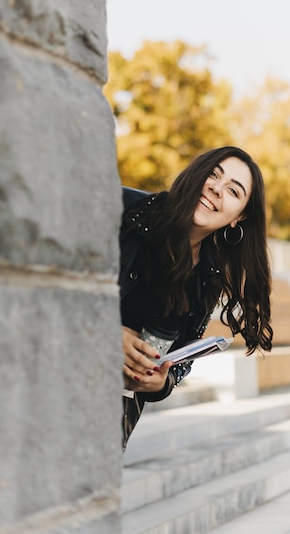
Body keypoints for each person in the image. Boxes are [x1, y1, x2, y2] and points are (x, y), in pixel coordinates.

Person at [119, 146, 273, 449]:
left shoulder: (208, 276)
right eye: (213, 175)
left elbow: (179, 361)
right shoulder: (124, 209)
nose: (216, 188)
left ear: (239, 217)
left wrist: (162, 382)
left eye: (233, 190)